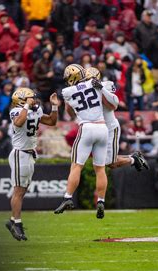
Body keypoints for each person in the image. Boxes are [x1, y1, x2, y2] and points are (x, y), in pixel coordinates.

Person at [54, 65, 110, 219]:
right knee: (100, 169)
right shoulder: (96, 83)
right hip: (102, 127)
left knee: (77, 165)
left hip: (86, 128)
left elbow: (70, 112)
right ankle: (101, 201)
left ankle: (67, 197)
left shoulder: (67, 91)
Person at [6, 88, 61, 241]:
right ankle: (16, 224)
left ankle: (13, 221)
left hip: (30, 154)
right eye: (31, 98)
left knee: (22, 191)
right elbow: (18, 122)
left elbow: (51, 121)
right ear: (22, 100)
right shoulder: (16, 111)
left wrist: (54, 106)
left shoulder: (34, 110)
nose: (34, 100)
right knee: (18, 191)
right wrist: (26, 107)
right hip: (20, 153)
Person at [85, 67, 149, 171]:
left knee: (111, 163)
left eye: (90, 78)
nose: (89, 81)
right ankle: (134, 158)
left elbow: (114, 104)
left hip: (110, 128)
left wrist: (101, 88)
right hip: (99, 130)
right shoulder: (84, 92)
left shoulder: (106, 85)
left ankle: (134, 158)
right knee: (104, 163)